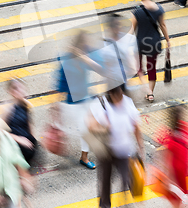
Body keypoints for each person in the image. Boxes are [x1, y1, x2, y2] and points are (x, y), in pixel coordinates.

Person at [87, 86, 144, 208]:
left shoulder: (127, 103)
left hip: (124, 152)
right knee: (105, 182)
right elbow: (90, 125)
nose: (119, 99)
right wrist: (105, 128)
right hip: (107, 151)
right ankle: (105, 205)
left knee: (126, 179)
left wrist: (141, 148)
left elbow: (136, 127)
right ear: (111, 95)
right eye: (116, 95)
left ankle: (124, 204)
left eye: (120, 94)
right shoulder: (101, 104)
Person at [55, 31, 104, 169]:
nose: (88, 46)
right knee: (85, 129)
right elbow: (60, 86)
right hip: (73, 101)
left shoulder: (85, 57)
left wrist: (85, 58)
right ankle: (84, 157)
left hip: (86, 97)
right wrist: (56, 106)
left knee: (99, 122)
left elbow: (100, 68)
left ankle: (99, 148)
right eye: (85, 44)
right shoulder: (66, 62)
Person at [153, 106, 188, 207]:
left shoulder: (174, 131)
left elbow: (163, 156)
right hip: (178, 171)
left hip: (179, 171)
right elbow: (164, 156)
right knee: (180, 198)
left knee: (179, 198)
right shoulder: (178, 131)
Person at [131, 0, 170, 102]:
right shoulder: (159, 8)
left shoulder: (137, 11)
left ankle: (146, 89)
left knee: (138, 68)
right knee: (151, 67)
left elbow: (132, 29)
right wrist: (168, 40)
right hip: (154, 42)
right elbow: (163, 25)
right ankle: (151, 93)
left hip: (140, 43)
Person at [0, 79, 37, 163]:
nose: (21, 91)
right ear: (11, 91)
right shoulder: (7, 108)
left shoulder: (26, 105)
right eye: (16, 88)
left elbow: (29, 125)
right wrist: (19, 139)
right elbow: (0, 131)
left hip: (27, 146)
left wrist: (33, 142)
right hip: (14, 147)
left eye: (21, 88)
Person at [102, 14, 139, 92]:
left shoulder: (123, 38)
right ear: (110, 28)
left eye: (119, 24)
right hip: (113, 81)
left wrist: (130, 68)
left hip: (122, 79)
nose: (119, 27)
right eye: (116, 25)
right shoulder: (106, 43)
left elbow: (125, 55)